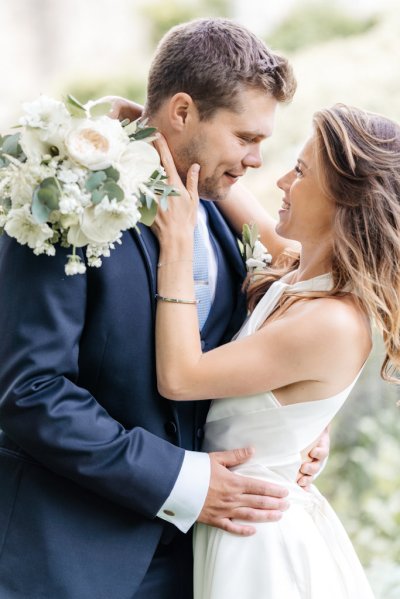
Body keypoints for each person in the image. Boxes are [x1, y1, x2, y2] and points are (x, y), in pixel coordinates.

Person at [0, 18, 329, 599]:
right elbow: (31, 391)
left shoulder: (225, 218)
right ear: (182, 112)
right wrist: (182, 481)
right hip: (63, 561)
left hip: (199, 565)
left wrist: (292, 429)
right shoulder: (62, 196)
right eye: (246, 138)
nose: (257, 160)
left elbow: (233, 364)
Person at [151, 103, 400, 598]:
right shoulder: (298, 271)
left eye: (302, 171)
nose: (282, 180)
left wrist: (177, 246)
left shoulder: (333, 321)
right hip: (233, 519)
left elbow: (180, 377)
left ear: (345, 202)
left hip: (258, 541)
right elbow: (218, 180)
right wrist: (150, 126)